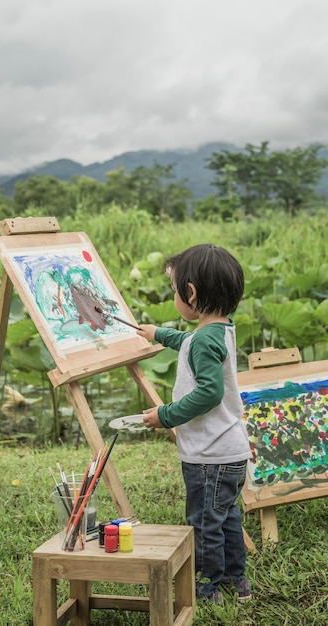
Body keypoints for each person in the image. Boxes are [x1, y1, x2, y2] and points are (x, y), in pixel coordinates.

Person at [136, 243, 252, 604]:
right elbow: (188, 341)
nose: (174, 296)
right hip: (230, 451)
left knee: (205, 524)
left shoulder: (204, 340)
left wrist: (166, 415)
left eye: (174, 291)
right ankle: (238, 580)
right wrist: (158, 333)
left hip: (208, 456)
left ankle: (208, 588)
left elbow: (208, 394)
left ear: (191, 293)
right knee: (226, 516)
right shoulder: (220, 330)